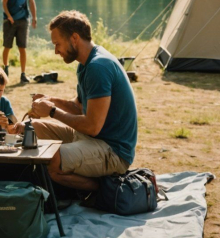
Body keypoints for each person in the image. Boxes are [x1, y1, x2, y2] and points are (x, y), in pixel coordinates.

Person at [13, 11, 138, 192]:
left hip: (112, 150)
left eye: (57, 44)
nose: (56, 51)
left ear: (74, 38)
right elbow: (78, 107)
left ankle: (104, 190)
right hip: (88, 138)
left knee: (51, 159)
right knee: (28, 129)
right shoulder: (85, 64)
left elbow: (92, 126)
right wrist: (50, 101)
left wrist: (52, 112)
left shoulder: (98, 67)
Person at [2, 0, 37, 83]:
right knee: (7, 46)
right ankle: (5, 68)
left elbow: (31, 2)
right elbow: (4, 3)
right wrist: (9, 17)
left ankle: (23, 74)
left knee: (22, 47)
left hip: (23, 20)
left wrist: (34, 17)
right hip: (9, 21)